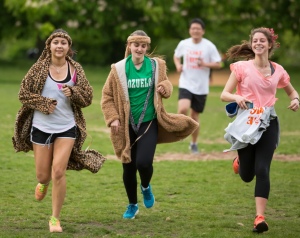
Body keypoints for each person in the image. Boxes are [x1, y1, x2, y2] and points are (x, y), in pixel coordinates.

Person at [12, 29, 106, 233]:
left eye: (64, 42)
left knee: (58, 171)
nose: (60, 46)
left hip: (66, 126)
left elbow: (88, 97)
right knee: (43, 175)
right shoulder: (38, 68)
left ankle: (55, 218)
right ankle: (43, 183)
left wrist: (73, 92)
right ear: (49, 46)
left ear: (68, 48)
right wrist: (44, 103)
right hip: (41, 127)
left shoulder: (75, 69)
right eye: (56, 42)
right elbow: (23, 94)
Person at [101, 30, 198, 219]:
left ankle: (145, 186)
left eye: (143, 45)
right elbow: (107, 96)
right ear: (129, 46)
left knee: (144, 163)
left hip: (149, 122)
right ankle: (132, 205)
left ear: (146, 47)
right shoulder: (118, 69)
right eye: (136, 45)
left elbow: (166, 85)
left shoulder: (156, 65)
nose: (139, 48)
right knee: (128, 166)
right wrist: (113, 117)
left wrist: (165, 88)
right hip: (126, 125)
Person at [220, 27, 299, 233]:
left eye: (262, 41)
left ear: (269, 44)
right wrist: (237, 97)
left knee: (263, 170)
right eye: (255, 40)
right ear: (252, 43)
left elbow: (291, 91)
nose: (258, 43)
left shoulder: (278, 70)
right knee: (247, 175)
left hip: (267, 123)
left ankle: (260, 217)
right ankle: (239, 161)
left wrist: (296, 99)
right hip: (246, 124)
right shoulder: (241, 68)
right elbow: (224, 94)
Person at [173, 18, 222, 153]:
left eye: (198, 29)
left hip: (201, 86)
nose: (195, 31)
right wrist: (178, 65)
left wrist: (205, 64)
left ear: (203, 31)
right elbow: (176, 56)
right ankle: (181, 130)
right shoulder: (184, 44)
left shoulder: (209, 46)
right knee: (183, 109)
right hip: (185, 82)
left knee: (194, 117)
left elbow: (218, 64)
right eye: (193, 28)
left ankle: (194, 143)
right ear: (190, 30)